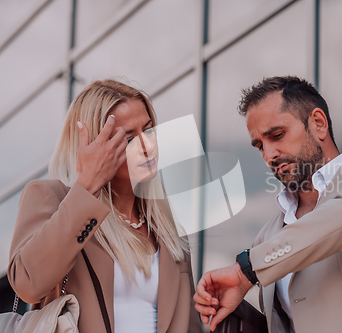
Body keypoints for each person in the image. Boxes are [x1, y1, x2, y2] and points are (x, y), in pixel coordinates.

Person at [193, 76, 342, 333]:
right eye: (259, 146)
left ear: (318, 124)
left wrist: (247, 271)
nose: (269, 155)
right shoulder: (266, 238)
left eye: (277, 135)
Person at [8, 79, 201, 333]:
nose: (147, 146)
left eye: (149, 130)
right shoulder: (51, 197)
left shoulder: (169, 230)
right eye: (129, 139)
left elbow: (190, 325)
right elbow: (28, 283)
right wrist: (87, 186)